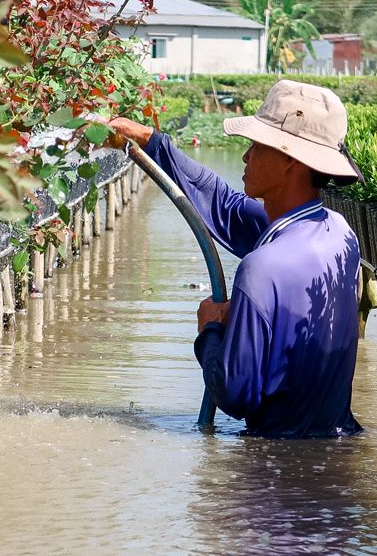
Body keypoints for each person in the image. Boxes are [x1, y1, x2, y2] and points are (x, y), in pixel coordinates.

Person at [107, 80, 363, 438]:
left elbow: (234, 394)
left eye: (256, 146)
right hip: (335, 446)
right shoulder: (341, 235)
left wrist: (210, 328)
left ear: (289, 158)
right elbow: (223, 204)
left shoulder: (262, 266)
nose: (245, 157)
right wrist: (152, 142)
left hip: (273, 463)